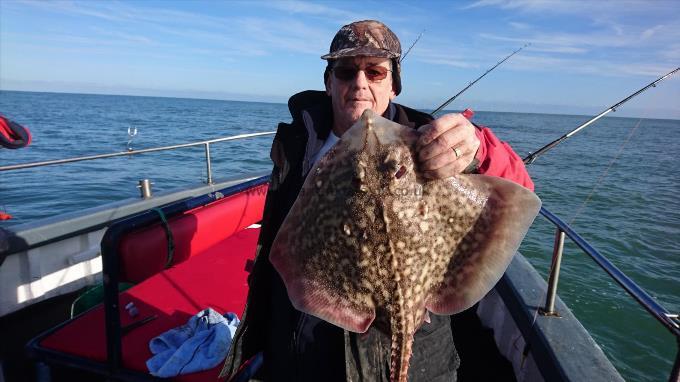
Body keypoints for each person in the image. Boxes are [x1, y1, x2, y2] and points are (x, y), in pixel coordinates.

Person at [222, 20, 534, 381]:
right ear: (328, 82)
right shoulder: (298, 142)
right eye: (345, 71)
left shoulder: (430, 147)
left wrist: (478, 148)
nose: (359, 83)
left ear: (394, 85)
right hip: (300, 350)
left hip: (409, 353)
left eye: (375, 72)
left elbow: (518, 191)